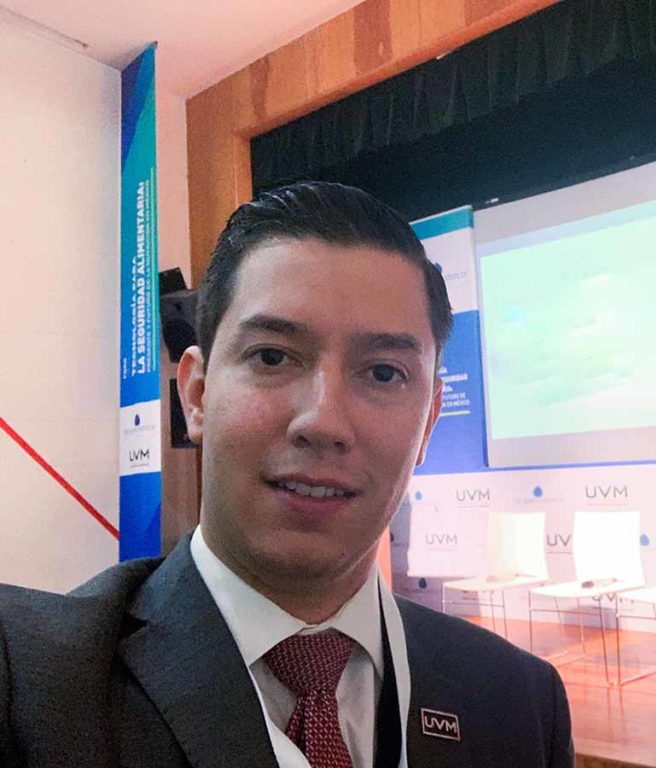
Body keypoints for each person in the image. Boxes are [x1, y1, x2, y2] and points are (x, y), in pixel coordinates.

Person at [0, 182, 574, 768]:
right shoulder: (31, 679)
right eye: (272, 356)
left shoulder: (519, 705)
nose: (324, 422)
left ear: (429, 421)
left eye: (383, 372)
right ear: (196, 395)